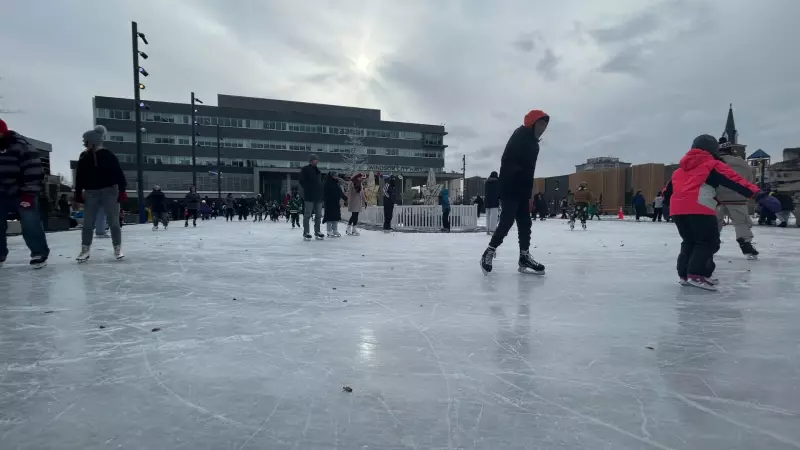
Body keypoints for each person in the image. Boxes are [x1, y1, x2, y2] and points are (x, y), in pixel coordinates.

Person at [663, 134, 761, 290]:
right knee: (707, 241)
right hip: (699, 207)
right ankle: (696, 275)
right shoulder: (712, 164)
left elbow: (667, 192)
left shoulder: (679, 170)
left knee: (689, 241)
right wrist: (757, 194)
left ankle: (684, 275)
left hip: (678, 210)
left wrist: (666, 208)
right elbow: (734, 180)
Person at [480, 109, 549, 275]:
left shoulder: (534, 143)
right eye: (540, 123)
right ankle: (488, 252)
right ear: (532, 123)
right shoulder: (520, 136)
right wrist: (514, 179)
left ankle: (524, 256)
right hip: (511, 187)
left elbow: (529, 169)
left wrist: (528, 190)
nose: (543, 128)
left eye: (545, 125)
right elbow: (507, 160)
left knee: (525, 223)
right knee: (507, 221)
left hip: (523, 189)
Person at [0, 119, 49, 269]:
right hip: (1, 192)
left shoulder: (21, 146)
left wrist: (28, 195)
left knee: (30, 221)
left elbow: (33, 170)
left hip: (22, 191)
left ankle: (38, 252)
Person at [73, 125, 127, 262]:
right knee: (88, 223)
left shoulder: (108, 155)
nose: (84, 143)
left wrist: (122, 190)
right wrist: (78, 192)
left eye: (85, 141)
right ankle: (85, 249)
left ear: (93, 141)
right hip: (91, 192)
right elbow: (79, 176)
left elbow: (118, 172)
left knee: (113, 221)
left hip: (110, 191)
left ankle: (117, 248)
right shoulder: (84, 156)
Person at [715, 137, 758, 257]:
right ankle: (745, 242)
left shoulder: (715, 163)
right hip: (738, 197)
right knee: (741, 222)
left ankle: (711, 243)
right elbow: (750, 179)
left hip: (717, 198)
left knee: (715, 222)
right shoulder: (742, 164)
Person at [299, 154, 324, 240]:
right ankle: (306, 232)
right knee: (307, 215)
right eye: (315, 160)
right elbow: (301, 181)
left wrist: (321, 193)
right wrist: (308, 188)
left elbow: (319, 184)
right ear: (311, 161)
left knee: (318, 215)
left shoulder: (318, 171)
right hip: (309, 196)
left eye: (317, 160)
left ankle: (317, 231)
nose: (317, 161)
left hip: (318, 196)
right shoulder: (305, 169)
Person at [323, 172, 346, 237]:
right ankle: (329, 230)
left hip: (335, 202)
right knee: (329, 217)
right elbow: (324, 192)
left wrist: (344, 197)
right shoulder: (327, 182)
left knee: (335, 216)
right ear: (332, 176)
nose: (337, 177)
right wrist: (325, 199)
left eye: (337, 176)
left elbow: (339, 191)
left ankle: (335, 230)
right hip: (329, 202)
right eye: (335, 176)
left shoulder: (336, 183)